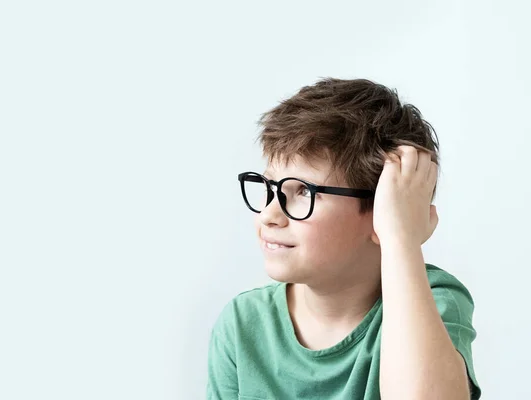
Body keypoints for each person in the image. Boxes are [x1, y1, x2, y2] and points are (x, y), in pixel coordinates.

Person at [206, 78, 481, 400]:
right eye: (270, 188)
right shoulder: (244, 322)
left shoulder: (434, 300)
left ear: (384, 210)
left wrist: (400, 239)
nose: (269, 214)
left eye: (304, 192)